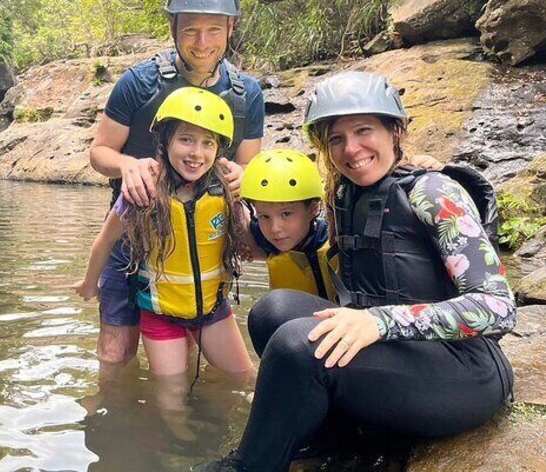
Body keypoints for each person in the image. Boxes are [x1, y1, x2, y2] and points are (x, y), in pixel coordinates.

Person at [197, 71, 516, 471]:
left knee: (299, 344)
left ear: (395, 130)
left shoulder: (433, 193)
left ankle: (250, 466)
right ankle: (328, 437)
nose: (351, 149)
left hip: (465, 370)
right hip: (400, 357)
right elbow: (284, 237)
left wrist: (380, 323)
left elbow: (498, 307)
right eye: (336, 139)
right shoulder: (347, 193)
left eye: (364, 130)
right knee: (272, 313)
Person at [88, 0, 265, 368]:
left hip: (198, 240)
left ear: (231, 28)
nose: (202, 43)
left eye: (214, 30)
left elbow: (249, 165)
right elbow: (99, 153)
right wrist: (128, 166)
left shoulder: (247, 94)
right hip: (132, 234)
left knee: (183, 352)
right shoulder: (138, 83)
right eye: (190, 30)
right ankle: (116, 421)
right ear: (173, 27)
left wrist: (244, 177)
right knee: (115, 356)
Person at [75, 88, 254, 428]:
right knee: (172, 403)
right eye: (186, 139)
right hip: (162, 315)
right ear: (166, 141)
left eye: (207, 143)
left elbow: (248, 242)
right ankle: (179, 452)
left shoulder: (226, 191)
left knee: (244, 379)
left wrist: (247, 189)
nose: (196, 153)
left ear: (219, 151)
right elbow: (104, 241)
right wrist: (89, 283)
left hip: (213, 310)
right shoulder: (143, 190)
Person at [239, 149, 336, 356]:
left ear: (313, 209)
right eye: (264, 216)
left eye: (286, 214)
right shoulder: (268, 239)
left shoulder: (335, 238)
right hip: (297, 337)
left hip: (339, 331)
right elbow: (241, 225)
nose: (275, 228)